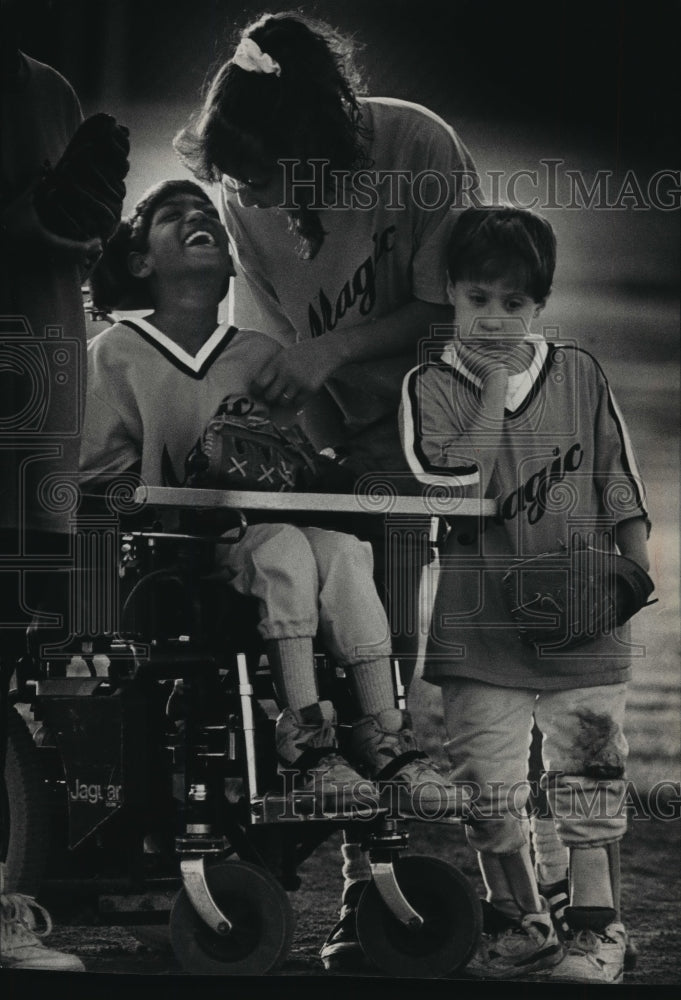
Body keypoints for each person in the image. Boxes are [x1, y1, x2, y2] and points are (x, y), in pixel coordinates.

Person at [173, 11, 479, 968]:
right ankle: (303, 863)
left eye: (261, 175)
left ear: (313, 141)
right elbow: (269, 342)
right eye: (232, 176)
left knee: (387, 666)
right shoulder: (241, 191)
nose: (245, 193)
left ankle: (378, 889)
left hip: (425, 427)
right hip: (327, 438)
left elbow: (454, 308)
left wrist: (331, 353)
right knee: (306, 627)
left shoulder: (415, 146)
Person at [80, 178, 460, 821]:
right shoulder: (116, 352)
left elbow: (310, 464)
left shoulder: (260, 353)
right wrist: (179, 484)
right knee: (284, 548)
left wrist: (316, 472)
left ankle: (385, 736)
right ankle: (305, 742)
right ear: (141, 262)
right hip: (176, 552)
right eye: (174, 216)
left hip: (267, 533)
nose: (200, 216)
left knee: (342, 552)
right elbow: (97, 477)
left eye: (207, 214)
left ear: (232, 262)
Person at [399, 205, 653, 984]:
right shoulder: (429, 385)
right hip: (479, 628)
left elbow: (617, 479)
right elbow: (452, 485)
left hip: (581, 613)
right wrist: (493, 385)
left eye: (514, 304)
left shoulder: (577, 370)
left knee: (588, 775)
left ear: (538, 305)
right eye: (479, 299)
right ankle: (522, 922)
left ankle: (596, 929)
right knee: (487, 791)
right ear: (450, 293)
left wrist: (633, 578)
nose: (496, 318)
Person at [0, 0, 125, 971]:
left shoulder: (48, 90)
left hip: (42, 433)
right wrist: (28, 217)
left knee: (8, 655)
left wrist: (102, 251)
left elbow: (66, 265)